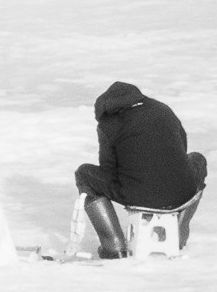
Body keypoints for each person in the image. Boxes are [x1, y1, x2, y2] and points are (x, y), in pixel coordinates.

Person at [74, 81, 207, 259]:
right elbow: (181, 149)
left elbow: (108, 167)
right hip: (182, 191)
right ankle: (179, 231)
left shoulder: (108, 124)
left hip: (138, 193)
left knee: (84, 174)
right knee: (198, 159)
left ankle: (113, 245)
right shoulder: (162, 109)